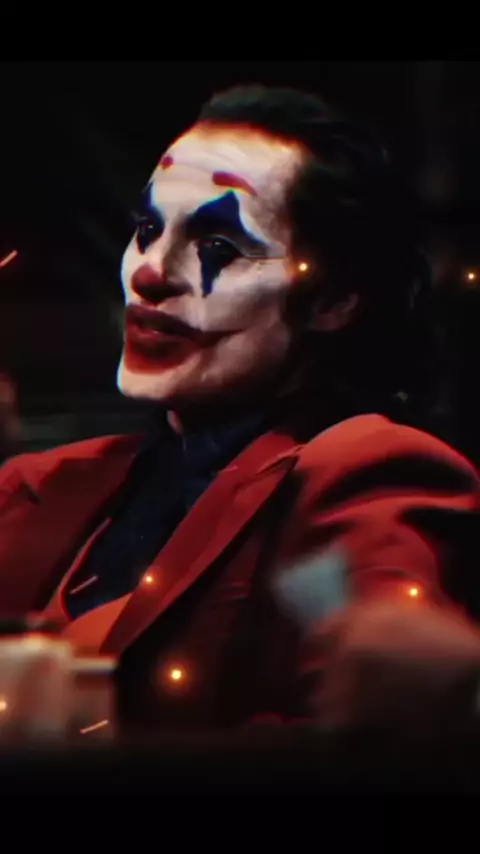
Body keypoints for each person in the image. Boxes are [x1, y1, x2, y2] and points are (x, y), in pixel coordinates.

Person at [1, 85, 480, 737]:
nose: (150, 273)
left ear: (334, 300)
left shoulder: (362, 466)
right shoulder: (47, 481)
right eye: (148, 230)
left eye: (219, 244)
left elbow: (380, 680)